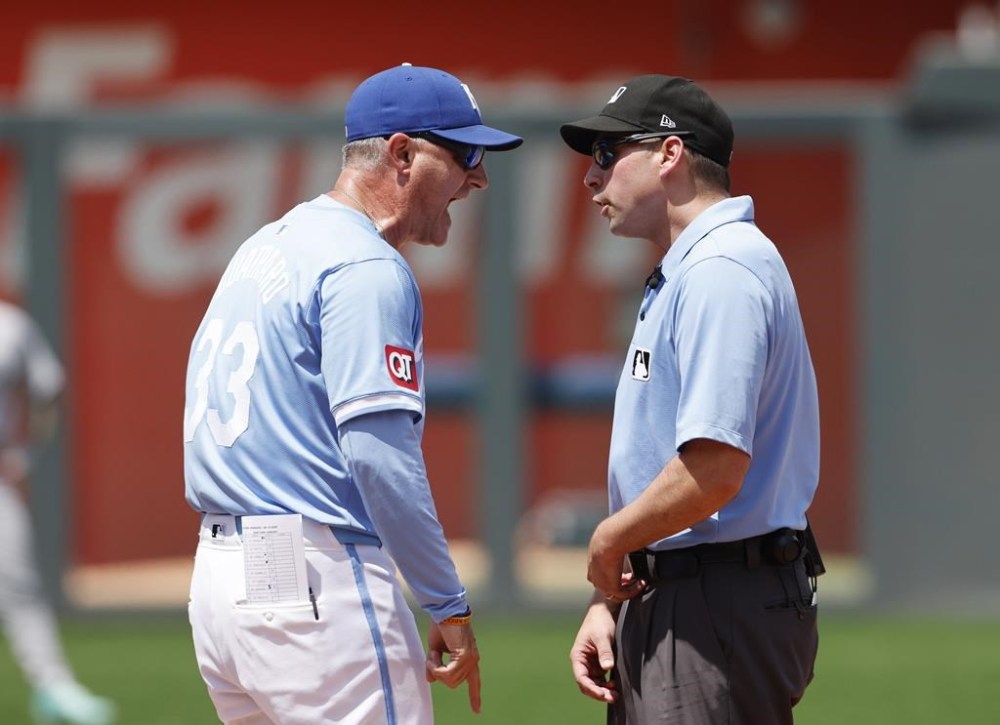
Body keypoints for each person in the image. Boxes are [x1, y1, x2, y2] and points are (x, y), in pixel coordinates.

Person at [183, 63, 522, 724]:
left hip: (224, 583)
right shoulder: (364, 265)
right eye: (466, 153)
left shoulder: (265, 244)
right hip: (316, 584)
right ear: (403, 154)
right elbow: (377, 454)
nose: (479, 176)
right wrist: (446, 600)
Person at [561, 75, 823, 724]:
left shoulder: (719, 269)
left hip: (717, 598)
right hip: (685, 588)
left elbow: (714, 468)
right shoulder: (690, 267)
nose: (591, 179)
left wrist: (609, 541)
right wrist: (611, 599)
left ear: (669, 154)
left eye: (606, 154)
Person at [0, 299, 117, 725]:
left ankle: (53, 686)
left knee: (20, 585)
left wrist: (25, 455)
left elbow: (46, 390)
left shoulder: (11, 325)